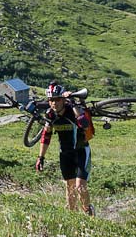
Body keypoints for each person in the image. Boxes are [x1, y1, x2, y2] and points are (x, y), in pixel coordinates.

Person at [34, 82, 94, 215]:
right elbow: (46, 136)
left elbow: (84, 124)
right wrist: (41, 157)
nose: (54, 103)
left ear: (62, 99)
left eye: (57, 99)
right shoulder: (50, 115)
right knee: (70, 186)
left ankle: (89, 214)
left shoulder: (72, 110)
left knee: (80, 187)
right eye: (51, 100)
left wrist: (72, 104)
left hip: (81, 151)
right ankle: (72, 216)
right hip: (65, 154)